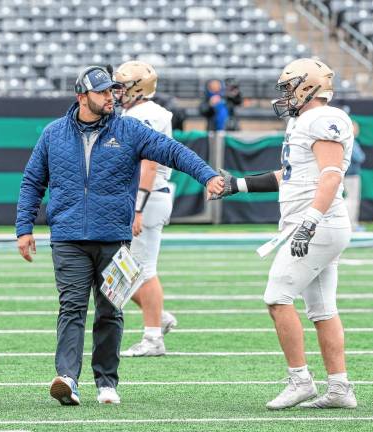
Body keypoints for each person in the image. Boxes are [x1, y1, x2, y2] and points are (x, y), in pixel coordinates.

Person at [15, 65, 224, 406]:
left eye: (112, 91)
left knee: (110, 310)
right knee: (71, 308)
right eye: (102, 92)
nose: (110, 97)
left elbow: (172, 151)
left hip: (114, 237)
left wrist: (206, 174)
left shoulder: (129, 129)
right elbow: (32, 182)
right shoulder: (53, 134)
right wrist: (24, 228)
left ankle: (106, 381)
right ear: (82, 97)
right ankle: (67, 378)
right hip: (68, 237)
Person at [212, 58, 357, 409]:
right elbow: (289, 175)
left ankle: (300, 380)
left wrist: (309, 222)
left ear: (307, 86)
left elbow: (331, 176)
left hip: (317, 224)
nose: (285, 95)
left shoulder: (323, 118)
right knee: (322, 309)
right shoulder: (306, 121)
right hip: (317, 222)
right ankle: (339, 389)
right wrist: (238, 185)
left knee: (277, 298)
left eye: (289, 87)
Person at [113, 60, 176, 357]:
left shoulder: (145, 115)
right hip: (140, 196)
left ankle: (153, 338)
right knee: (117, 272)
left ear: (138, 88)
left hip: (146, 198)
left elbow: (148, 164)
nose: (116, 91)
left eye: (121, 86)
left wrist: (137, 209)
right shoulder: (134, 112)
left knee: (143, 272)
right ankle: (158, 315)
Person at [344, 121, 365, 230]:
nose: (357, 130)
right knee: (351, 200)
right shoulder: (350, 141)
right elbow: (360, 157)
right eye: (355, 128)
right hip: (351, 175)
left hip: (349, 175)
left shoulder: (349, 140)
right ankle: (350, 224)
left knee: (351, 199)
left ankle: (352, 224)